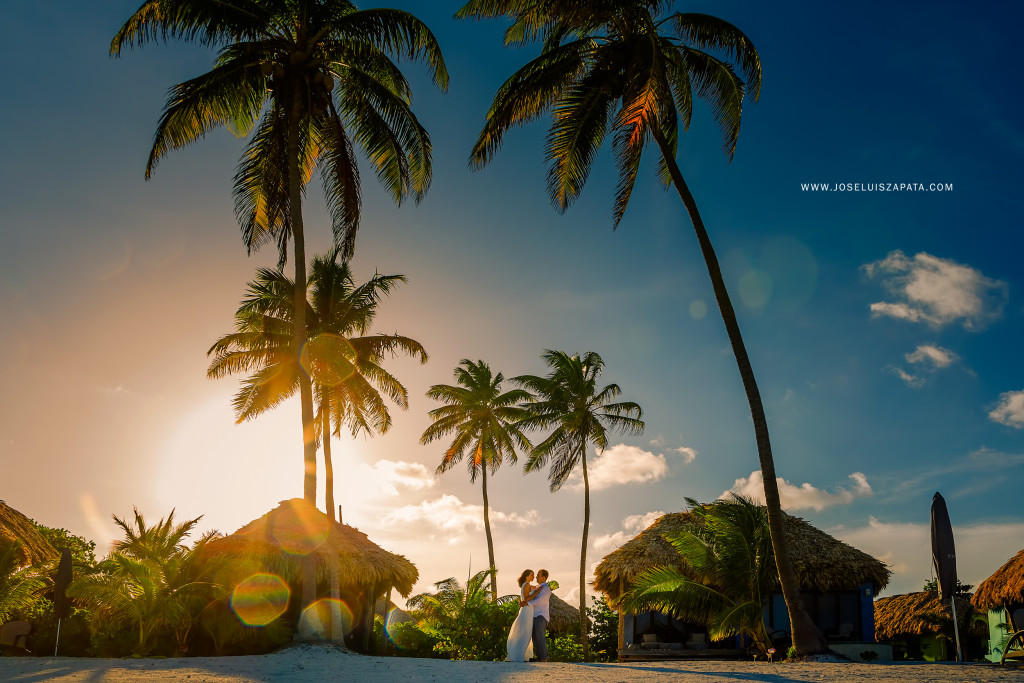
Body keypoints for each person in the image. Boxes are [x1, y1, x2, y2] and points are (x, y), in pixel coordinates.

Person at [506, 569, 542, 661]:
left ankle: (524, 655)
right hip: (527, 610)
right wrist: (537, 592)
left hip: (528, 610)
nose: (533, 577)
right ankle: (519, 655)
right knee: (525, 633)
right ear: (526, 576)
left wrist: (540, 587)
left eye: (533, 575)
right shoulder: (526, 585)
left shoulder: (526, 585)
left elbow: (535, 588)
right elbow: (526, 599)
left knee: (525, 632)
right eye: (531, 575)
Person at [526, 569, 551, 662]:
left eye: (538, 575)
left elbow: (540, 601)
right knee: (535, 637)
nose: (536, 577)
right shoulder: (539, 587)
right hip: (534, 615)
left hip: (541, 615)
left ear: (543, 577)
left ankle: (544, 657)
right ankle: (539, 657)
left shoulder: (546, 589)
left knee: (540, 636)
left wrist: (527, 603)